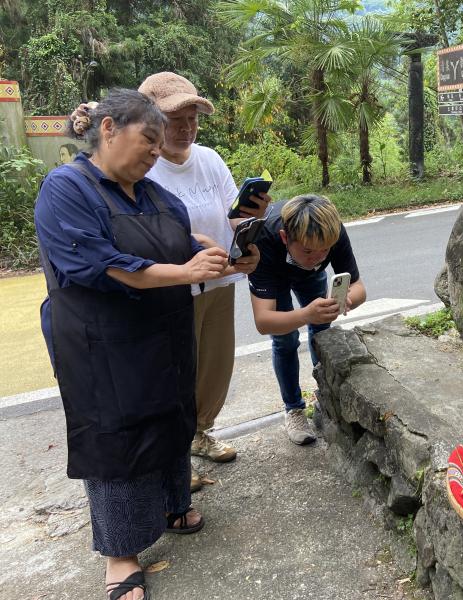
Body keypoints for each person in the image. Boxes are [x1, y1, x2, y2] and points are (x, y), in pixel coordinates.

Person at [35, 89, 260, 600]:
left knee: (172, 414)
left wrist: (229, 257)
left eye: (161, 145)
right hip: (101, 344)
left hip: (163, 332)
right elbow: (100, 264)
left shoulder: (156, 196)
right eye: (150, 139)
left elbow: (190, 243)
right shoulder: (67, 188)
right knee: (117, 434)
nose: (158, 152)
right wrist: (183, 271)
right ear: (109, 128)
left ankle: (173, 503)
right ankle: (120, 553)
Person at [72, 72, 270, 492]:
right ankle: (174, 455)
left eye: (193, 118)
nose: (186, 128)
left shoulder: (210, 159)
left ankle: (199, 434)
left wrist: (250, 222)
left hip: (217, 279)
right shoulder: (139, 165)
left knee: (215, 369)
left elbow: (230, 215)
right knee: (175, 373)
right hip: (167, 288)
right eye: (175, 119)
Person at [249, 194, 366, 444]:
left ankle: (323, 393)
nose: (319, 257)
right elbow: (264, 321)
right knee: (285, 340)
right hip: (275, 273)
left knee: (322, 328)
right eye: (309, 250)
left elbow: (359, 288)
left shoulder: (331, 230)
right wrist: (304, 314)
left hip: (310, 277)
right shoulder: (264, 239)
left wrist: (345, 300)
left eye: (325, 250)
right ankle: (293, 409)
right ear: (285, 238)